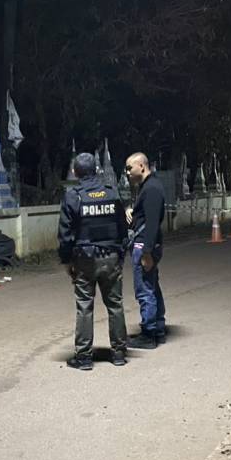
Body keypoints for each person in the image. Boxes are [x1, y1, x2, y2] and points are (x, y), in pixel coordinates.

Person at [57, 152, 129, 370]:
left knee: (84, 306)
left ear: (75, 172)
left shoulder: (73, 196)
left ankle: (84, 357)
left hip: (85, 259)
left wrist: (67, 261)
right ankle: (119, 353)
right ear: (96, 170)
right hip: (111, 256)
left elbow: (65, 235)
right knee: (115, 305)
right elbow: (122, 228)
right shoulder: (111, 192)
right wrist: (120, 254)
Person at [124, 152, 166, 349]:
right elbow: (145, 215)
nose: (127, 173)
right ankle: (158, 329)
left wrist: (147, 252)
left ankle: (149, 334)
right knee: (152, 286)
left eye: (129, 168)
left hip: (144, 246)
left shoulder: (152, 189)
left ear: (141, 166)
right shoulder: (148, 187)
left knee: (144, 290)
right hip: (146, 245)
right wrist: (132, 211)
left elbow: (152, 223)